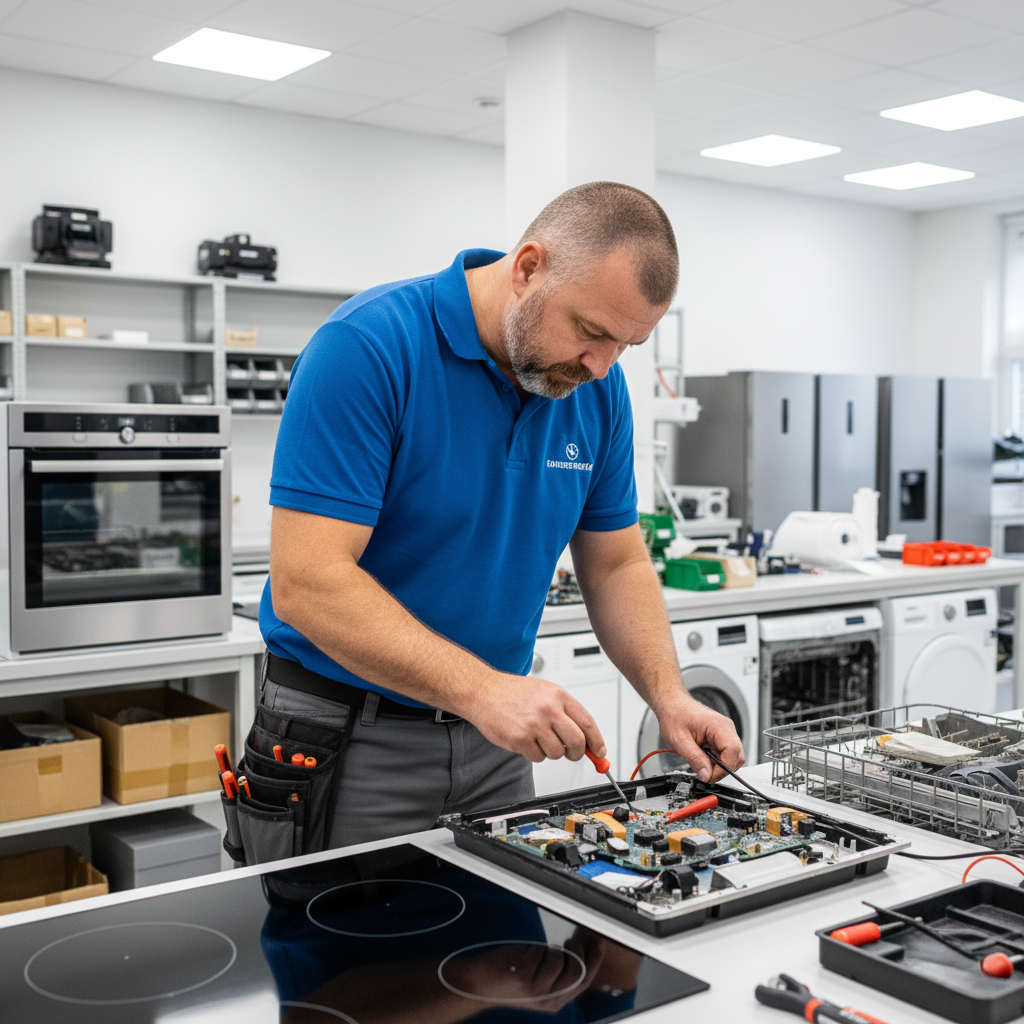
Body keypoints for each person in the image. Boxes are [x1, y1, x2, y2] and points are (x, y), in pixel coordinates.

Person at [256, 181, 743, 850]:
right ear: (527, 269)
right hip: (347, 736)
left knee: (501, 950)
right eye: (591, 331)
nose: (601, 367)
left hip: (496, 747)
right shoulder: (367, 347)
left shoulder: (596, 393)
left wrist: (670, 695)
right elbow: (307, 581)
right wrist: (483, 690)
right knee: (345, 949)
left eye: (625, 346)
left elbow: (616, 563)